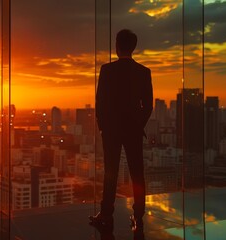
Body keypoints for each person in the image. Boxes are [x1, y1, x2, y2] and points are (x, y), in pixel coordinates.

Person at [90, 29, 153, 232]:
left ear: (117, 46)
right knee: (137, 173)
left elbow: (100, 103)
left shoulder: (107, 70)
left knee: (111, 172)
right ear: (133, 47)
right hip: (133, 130)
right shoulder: (143, 72)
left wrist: (103, 127)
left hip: (112, 131)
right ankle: (138, 215)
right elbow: (148, 105)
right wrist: (137, 124)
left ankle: (106, 214)